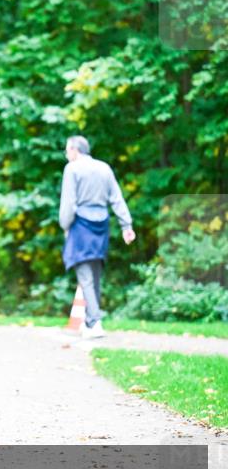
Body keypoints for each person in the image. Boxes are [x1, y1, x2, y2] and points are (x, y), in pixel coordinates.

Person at [59, 135, 135, 339]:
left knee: (85, 276)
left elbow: (68, 203)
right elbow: (117, 199)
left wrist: (65, 226)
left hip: (81, 225)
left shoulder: (72, 169)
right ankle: (91, 321)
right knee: (94, 274)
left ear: (75, 150)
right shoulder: (104, 168)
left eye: (67, 150)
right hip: (101, 225)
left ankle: (94, 323)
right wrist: (126, 225)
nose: (67, 155)